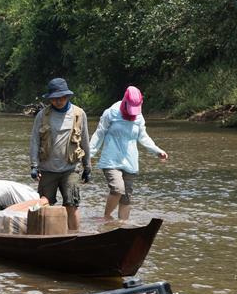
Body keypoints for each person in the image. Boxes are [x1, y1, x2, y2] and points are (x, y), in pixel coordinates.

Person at [89, 86, 168, 221]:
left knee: (126, 198)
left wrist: (157, 150)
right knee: (118, 189)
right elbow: (99, 134)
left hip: (130, 161)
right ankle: (106, 218)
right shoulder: (111, 113)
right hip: (111, 160)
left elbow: (143, 137)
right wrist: (89, 155)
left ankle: (123, 226)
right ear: (125, 101)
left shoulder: (139, 117)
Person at [29, 78, 90, 231]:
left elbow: (85, 141)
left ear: (67, 96)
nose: (58, 101)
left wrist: (87, 166)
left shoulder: (79, 114)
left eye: (62, 97)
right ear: (50, 99)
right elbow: (35, 141)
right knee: (44, 205)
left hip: (70, 168)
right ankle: (45, 236)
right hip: (47, 169)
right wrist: (34, 166)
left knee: (72, 205)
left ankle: (75, 237)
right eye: (55, 98)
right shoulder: (42, 116)